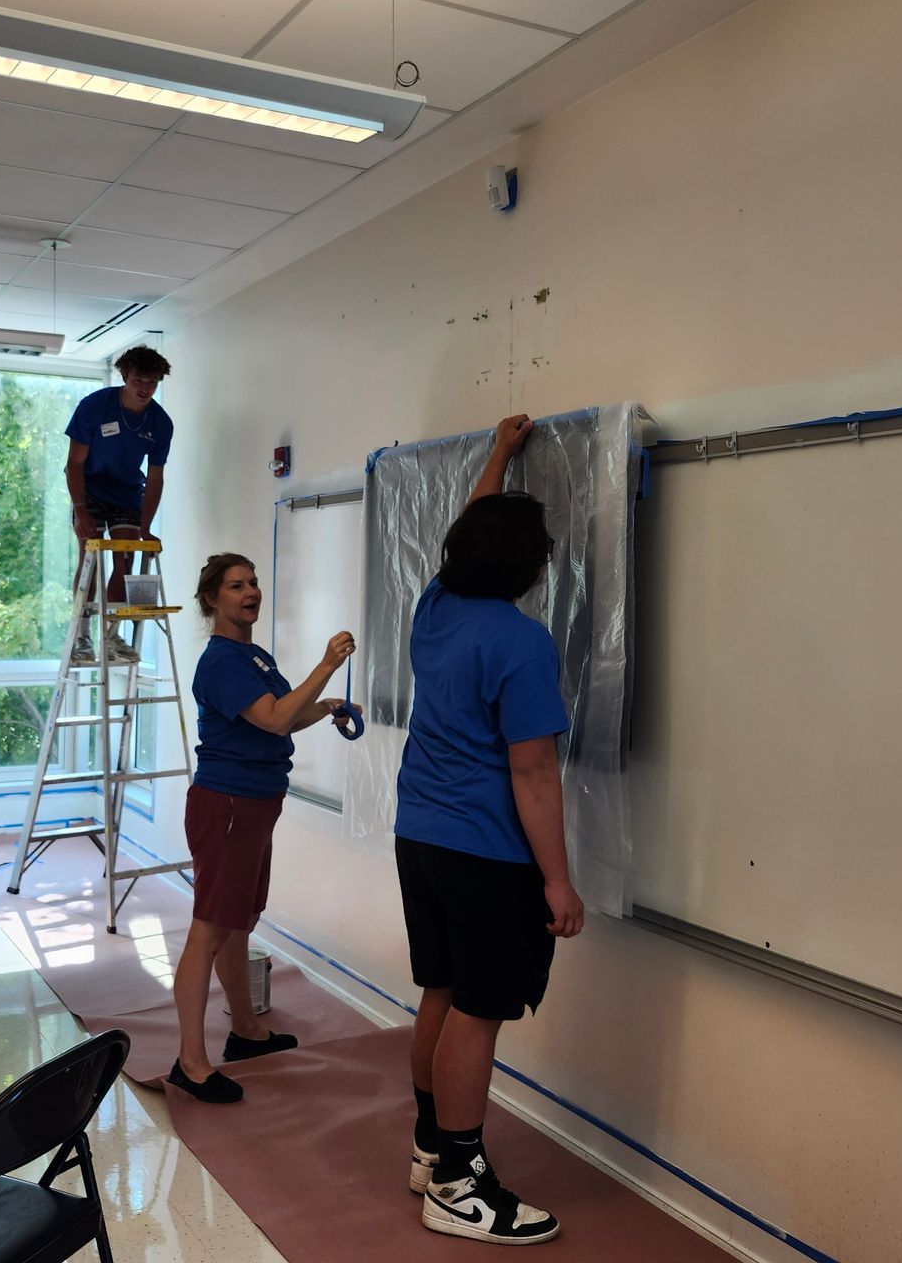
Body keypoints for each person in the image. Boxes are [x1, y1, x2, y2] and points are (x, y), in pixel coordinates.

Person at [396, 414, 583, 1246]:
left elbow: (464, 532)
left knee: (442, 991)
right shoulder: (522, 643)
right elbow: (534, 773)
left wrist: (499, 458)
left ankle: (431, 1149)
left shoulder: (435, 608)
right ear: (529, 568)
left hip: (422, 839)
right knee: (477, 1011)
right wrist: (557, 881)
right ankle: (461, 1187)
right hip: (487, 854)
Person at [167, 552, 361, 1104]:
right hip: (225, 805)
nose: (250, 591)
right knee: (209, 929)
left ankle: (246, 1031)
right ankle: (191, 1061)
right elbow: (274, 719)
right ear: (212, 599)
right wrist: (325, 664)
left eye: (253, 582)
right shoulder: (223, 661)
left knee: (237, 922)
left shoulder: (252, 656)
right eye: (236, 585)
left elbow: (283, 713)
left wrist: (325, 705)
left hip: (254, 805)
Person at [64, 345, 174, 666]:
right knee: (90, 559)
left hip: (127, 492)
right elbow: (74, 464)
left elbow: (155, 478)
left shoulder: (161, 423)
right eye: (139, 381)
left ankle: (112, 636)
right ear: (125, 376)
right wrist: (81, 511)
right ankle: (82, 636)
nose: (145, 389)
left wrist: (146, 528)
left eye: (153, 383)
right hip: (91, 487)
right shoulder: (95, 407)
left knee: (125, 560)